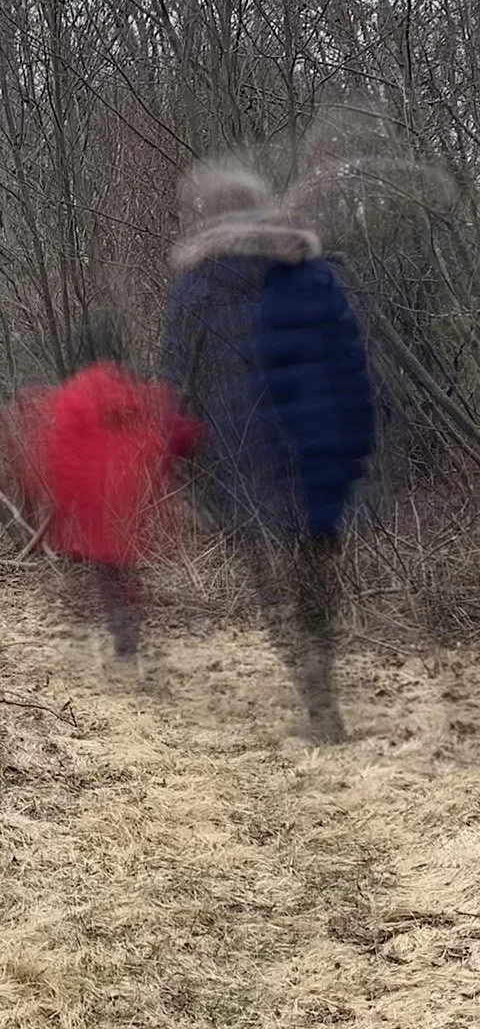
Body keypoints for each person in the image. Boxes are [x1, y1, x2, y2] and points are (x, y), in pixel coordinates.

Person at [159, 160, 375, 744]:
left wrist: (180, 462)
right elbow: (351, 372)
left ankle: (316, 708)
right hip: (317, 467)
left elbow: (178, 387)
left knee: (273, 593)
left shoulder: (198, 285)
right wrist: (352, 454)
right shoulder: (313, 273)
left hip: (241, 470)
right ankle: (325, 703)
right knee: (312, 590)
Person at [0, 319, 198, 672]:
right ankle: (132, 647)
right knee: (123, 575)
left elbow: (63, 457)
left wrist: (59, 504)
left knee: (108, 578)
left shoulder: (75, 396)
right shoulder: (136, 389)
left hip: (97, 508)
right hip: (136, 503)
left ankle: (124, 653)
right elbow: (173, 429)